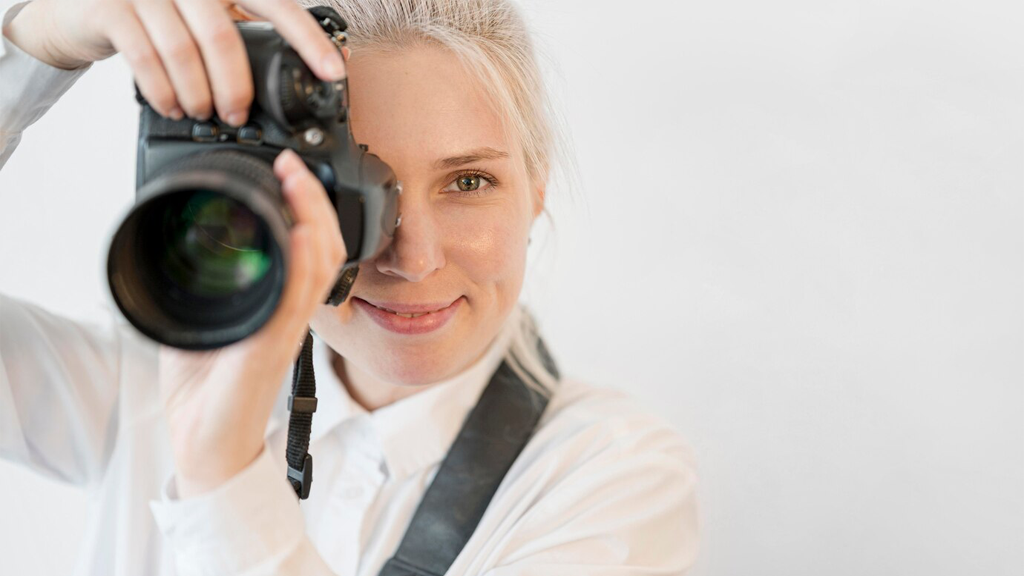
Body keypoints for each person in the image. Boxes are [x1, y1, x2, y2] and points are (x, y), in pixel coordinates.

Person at [0, 0, 700, 574]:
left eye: (468, 181)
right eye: (362, 190)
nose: (414, 259)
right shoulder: (149, 382)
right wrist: (32, 48)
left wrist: (223, 477)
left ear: (536, 187)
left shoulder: (612, 476)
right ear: (271, 192)